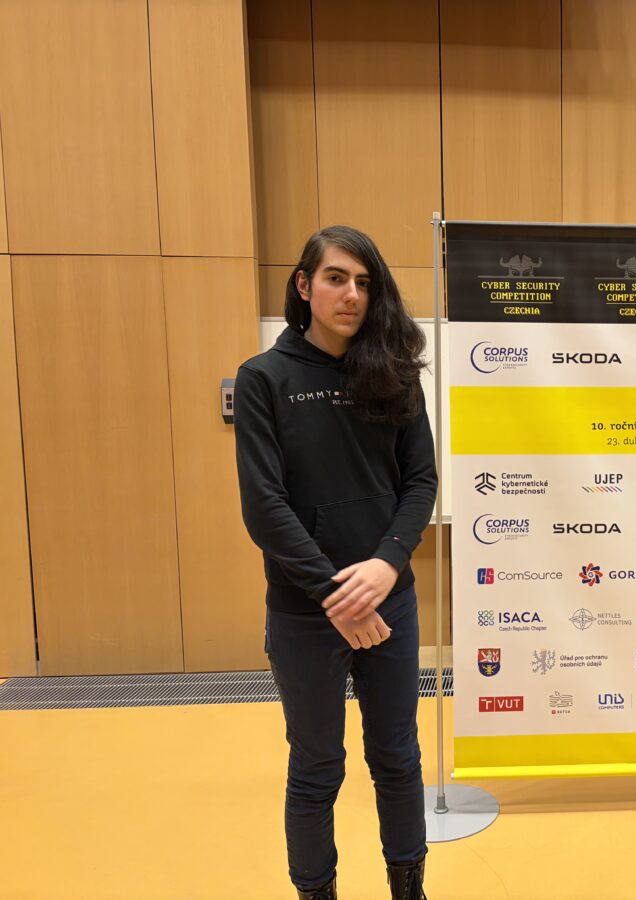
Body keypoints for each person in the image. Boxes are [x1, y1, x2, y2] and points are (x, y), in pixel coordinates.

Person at [234, 225, 436, 900]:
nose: (352, 294)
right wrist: (335, 595)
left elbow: (420, 482)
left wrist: (386, 565)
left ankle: (409, 888)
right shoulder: (265, 379)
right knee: (317, 769)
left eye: (364, 282)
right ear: (304, 285)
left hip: (390, 602)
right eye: (336, 278)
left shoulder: (394, 373)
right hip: (305, 613)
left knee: (398, 759)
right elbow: (265, 507)